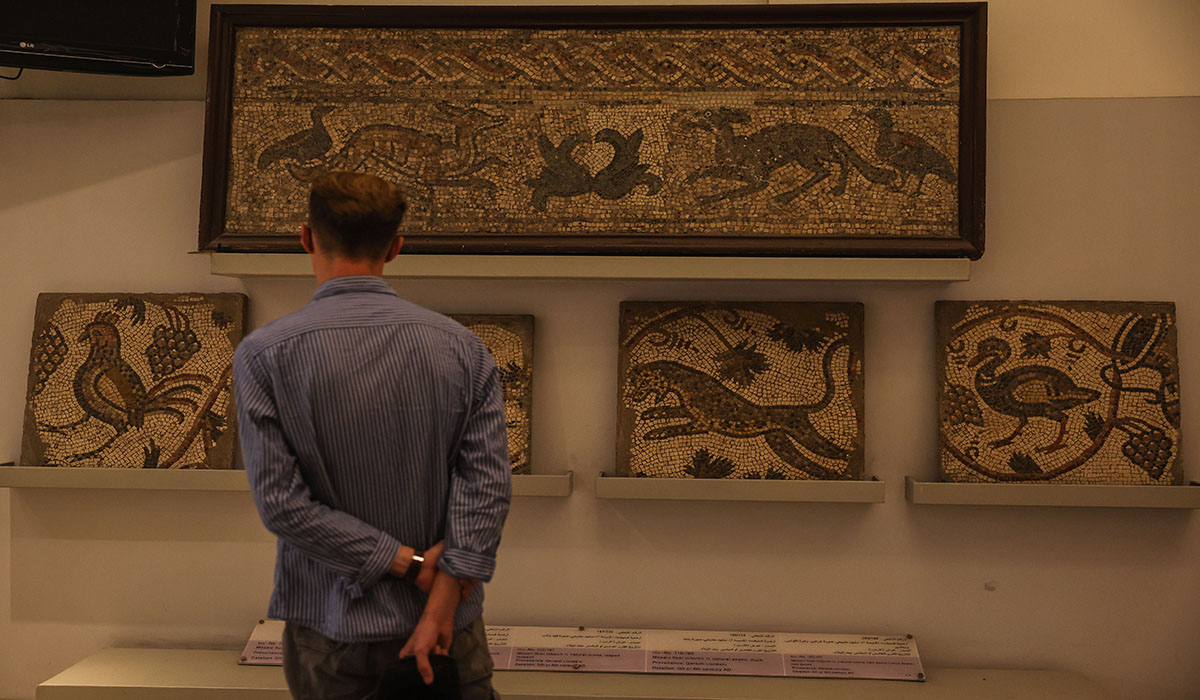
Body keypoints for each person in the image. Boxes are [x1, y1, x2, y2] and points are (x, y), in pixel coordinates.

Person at [233, 170, 512, 699]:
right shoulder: (462, 348)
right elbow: (487, 489)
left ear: (307, 238)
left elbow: (282, 505)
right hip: (448, 629)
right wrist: (440, 601)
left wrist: (406, 564)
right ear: (395, 247)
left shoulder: (266, 353)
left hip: (333, 630)